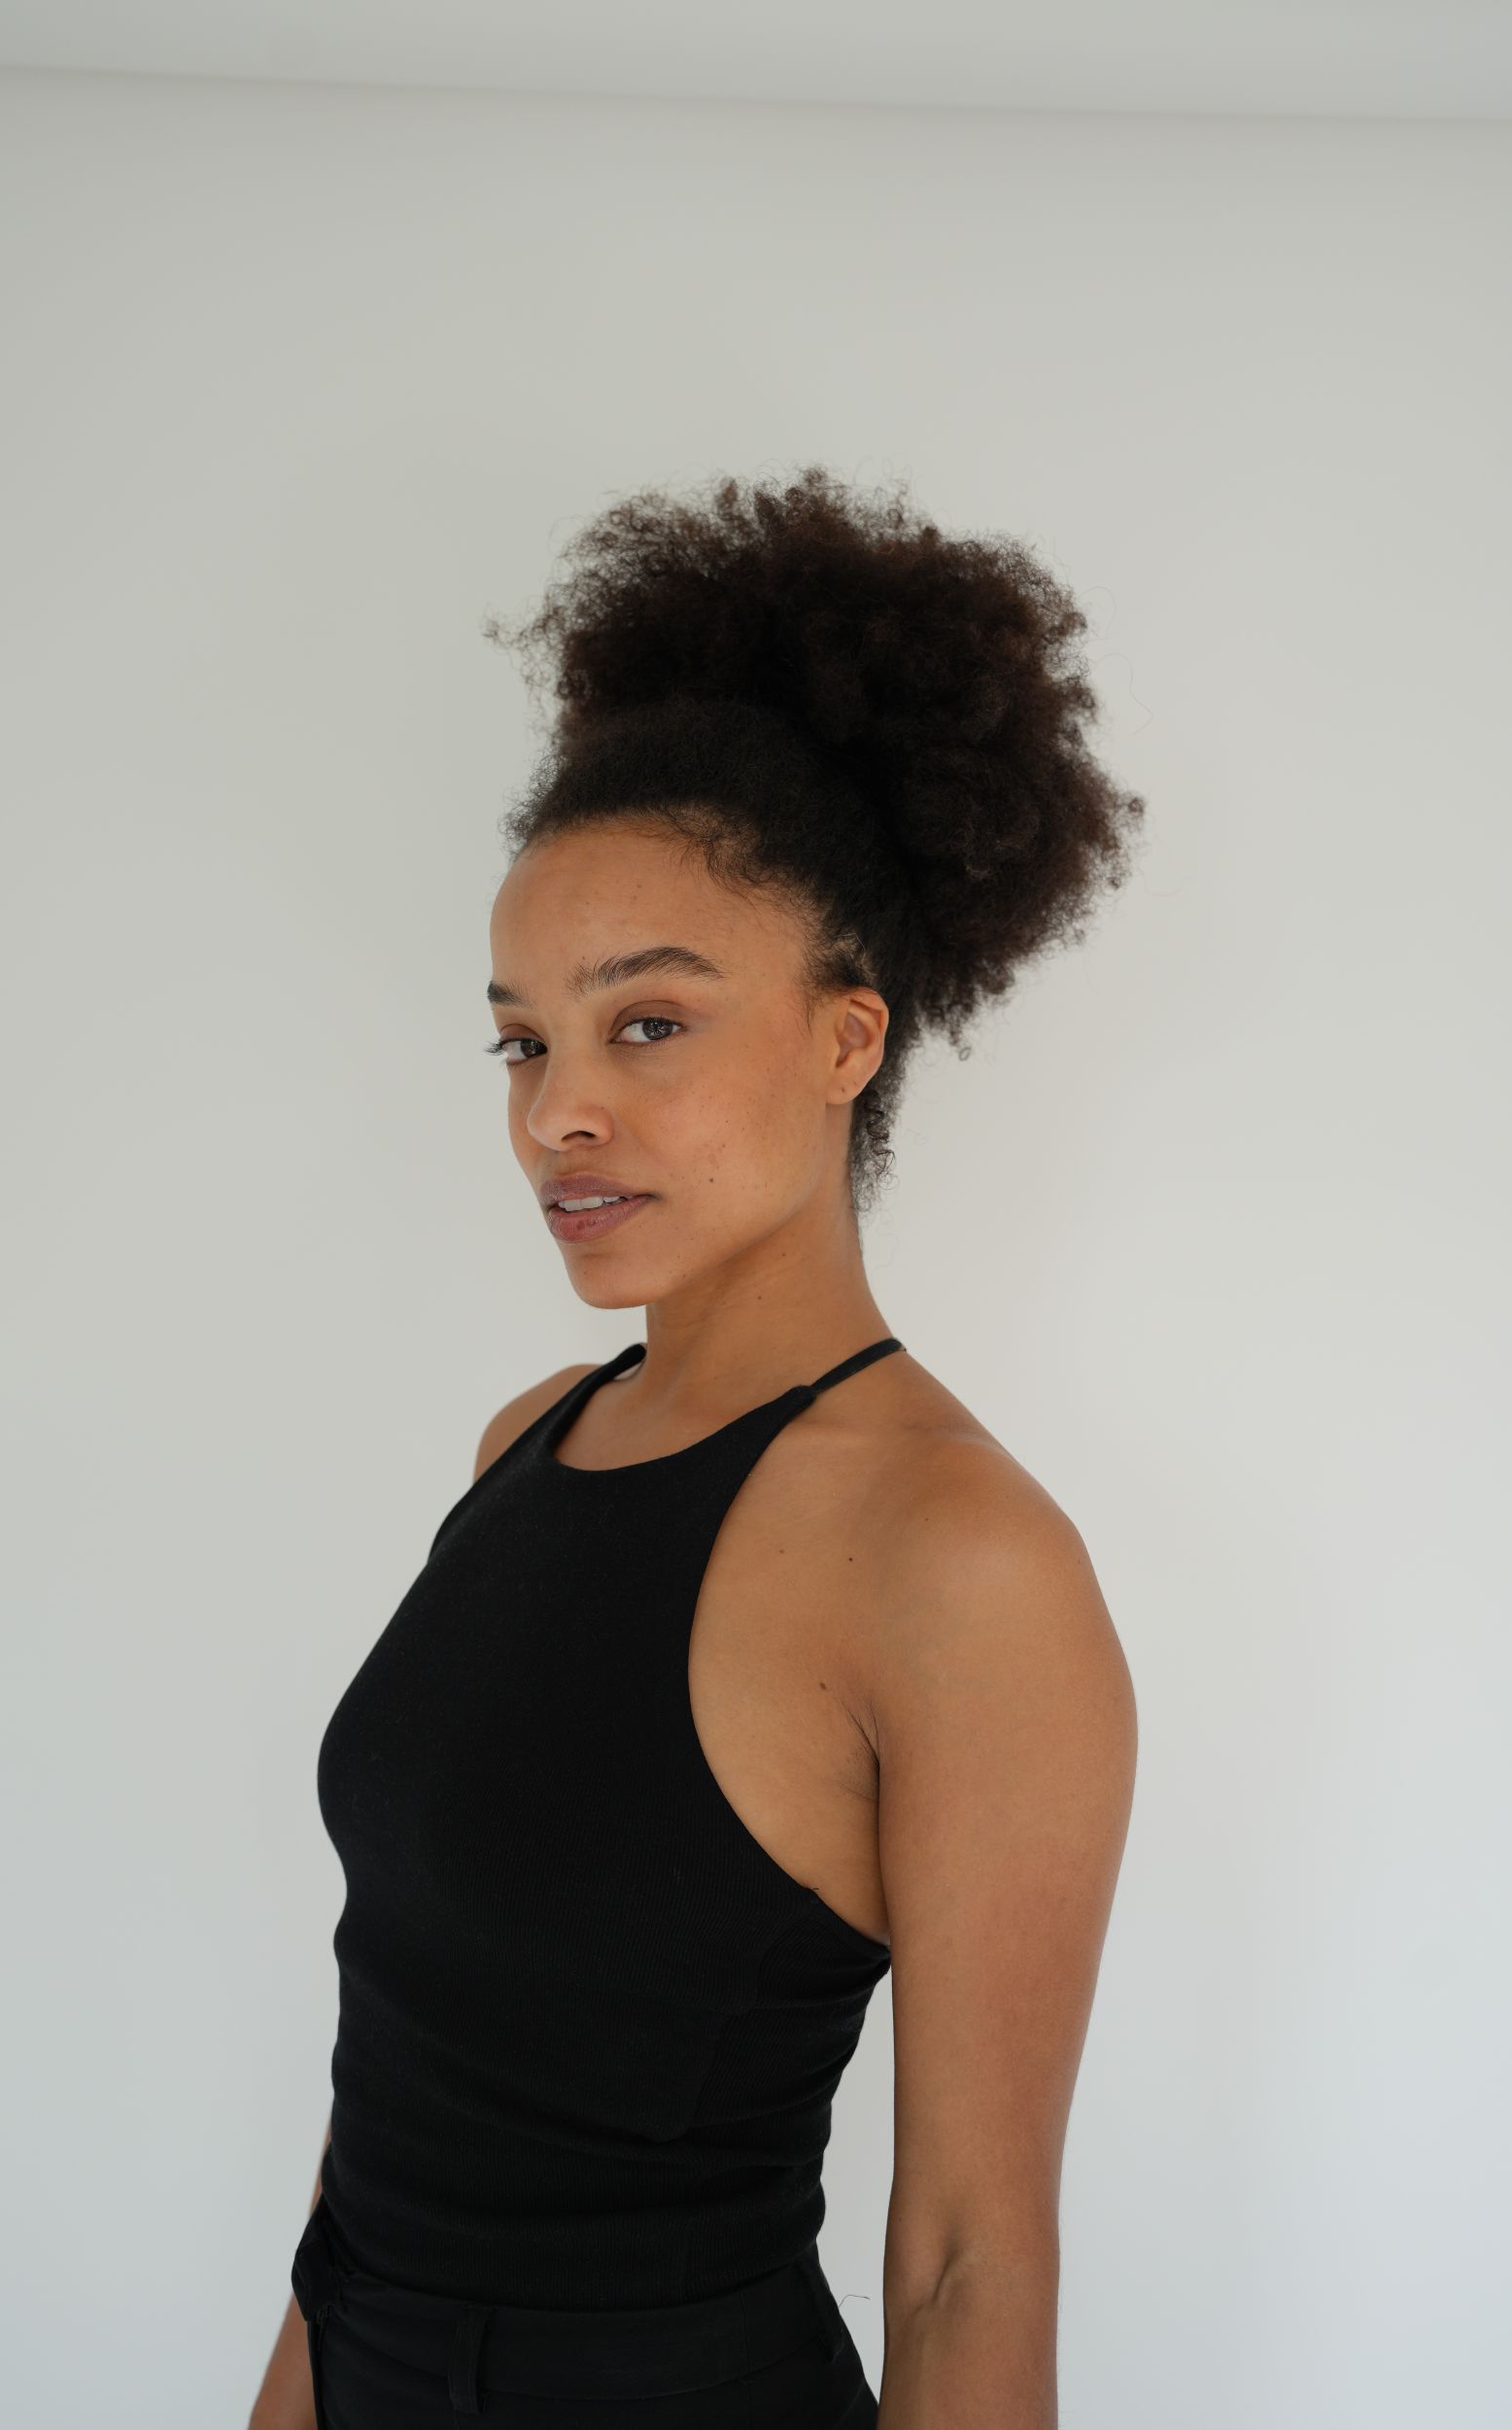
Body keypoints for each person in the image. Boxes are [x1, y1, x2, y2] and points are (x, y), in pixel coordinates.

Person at [250, 465, 1143, 2430]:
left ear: (846, 1039)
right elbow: (399, 2073)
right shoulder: (525, 1443)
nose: (557, 1113)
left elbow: (972, 2257)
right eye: (525, 1040)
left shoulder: (962, 1558)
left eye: (646, 1024)